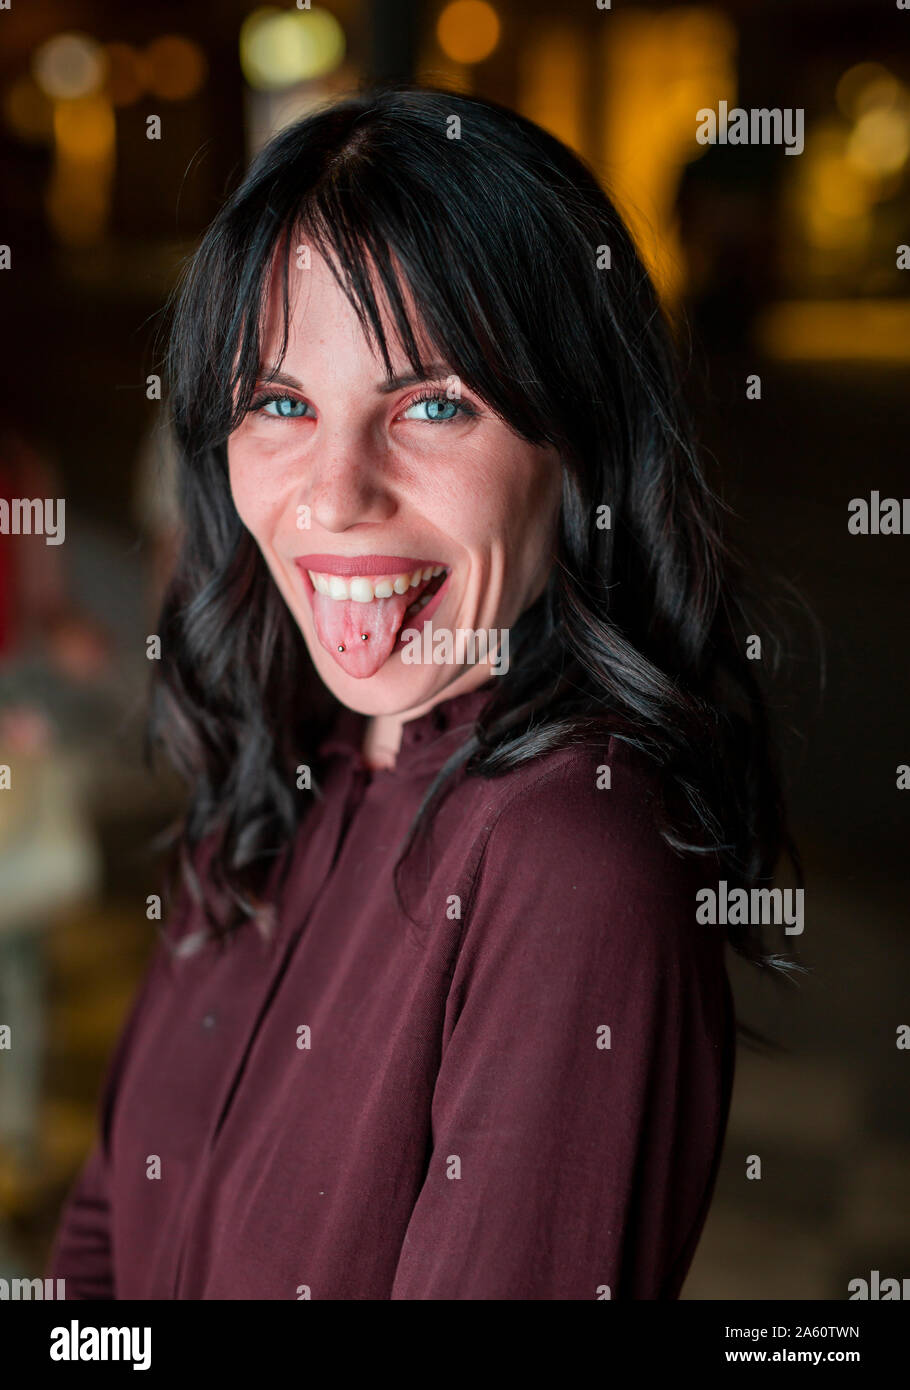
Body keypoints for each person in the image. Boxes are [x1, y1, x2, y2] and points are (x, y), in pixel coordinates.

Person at [46, 85, 797, 1300]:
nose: (334, 494)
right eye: (280, 402)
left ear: (581, 444)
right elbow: (100, 1245)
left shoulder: (568, 862)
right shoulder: (282, 761)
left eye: (433, 403)